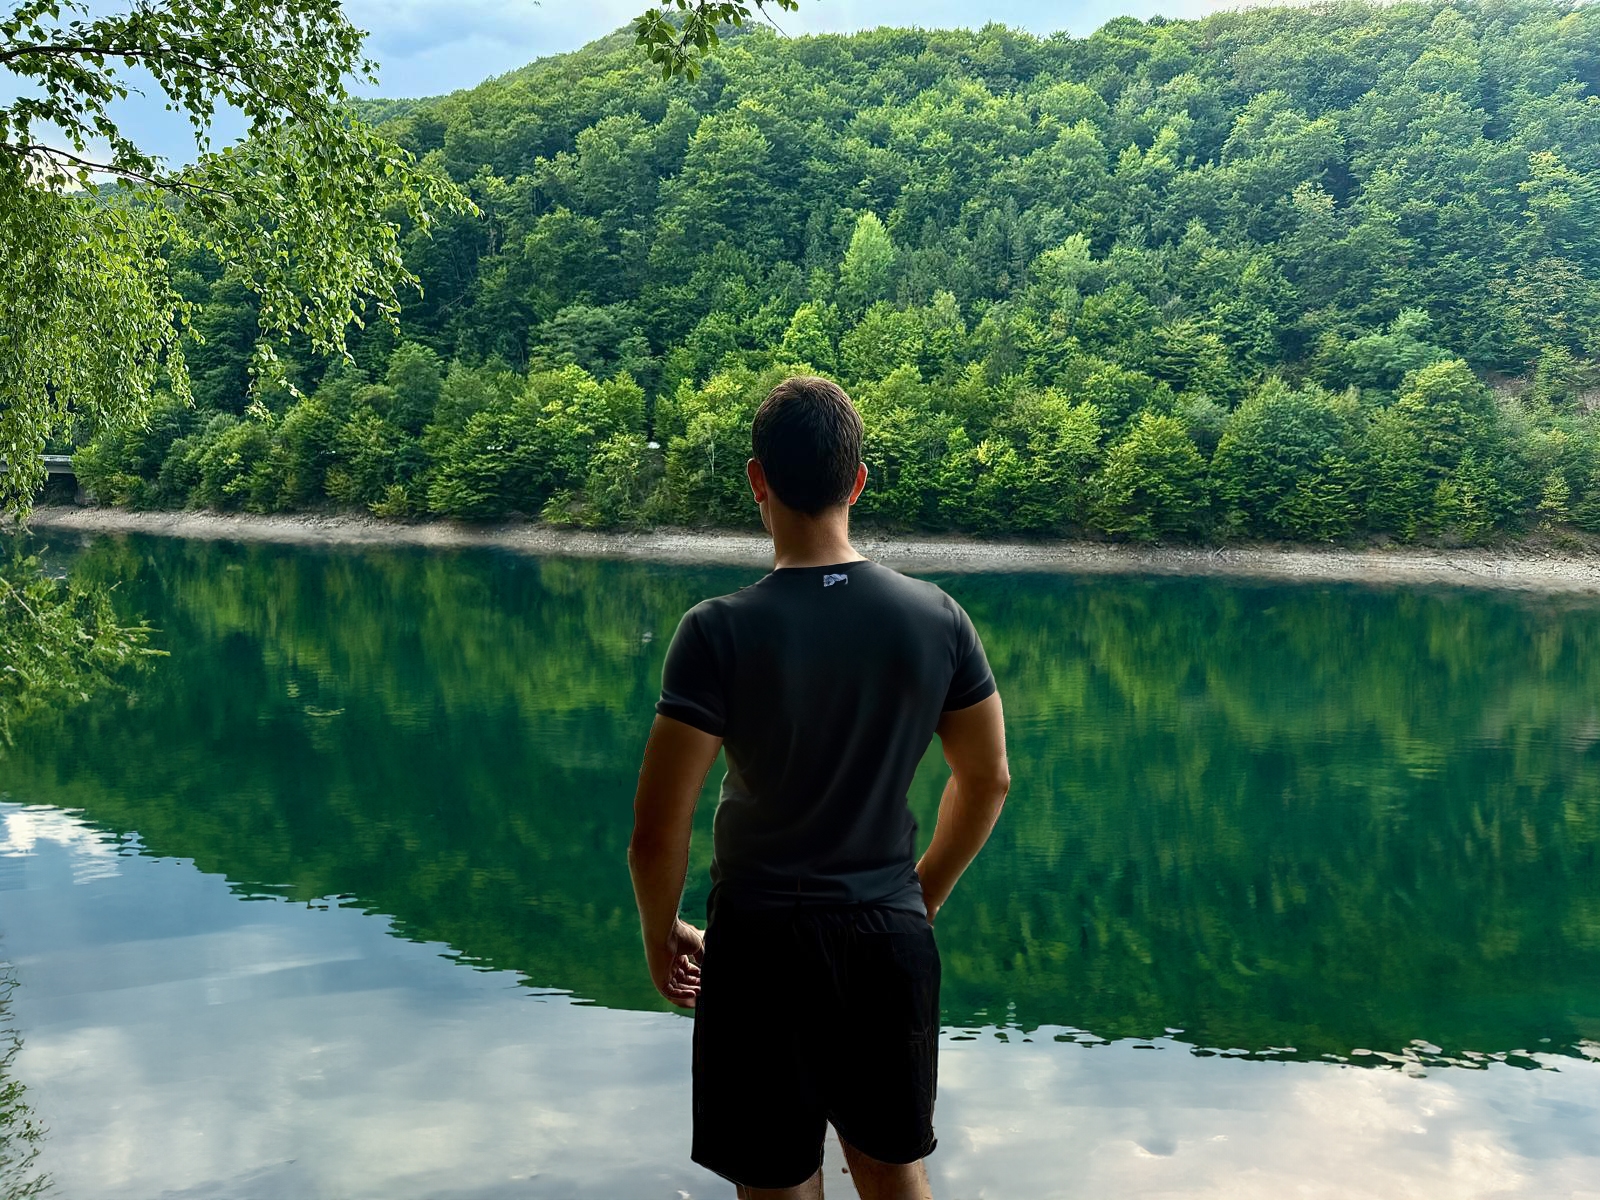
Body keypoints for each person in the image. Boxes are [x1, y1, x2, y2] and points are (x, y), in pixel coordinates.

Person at [628, 375, 1010, 1200]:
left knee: (776, 1185)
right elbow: (987, 780)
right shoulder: (938, 618)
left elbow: (658, 833)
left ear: (757, 480)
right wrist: (922, 895)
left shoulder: (716, 631)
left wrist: (663, 932)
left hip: (761, 946)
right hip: (887, 937)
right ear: (858, 480)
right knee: (892, 1171)